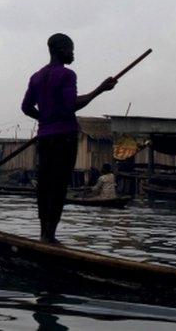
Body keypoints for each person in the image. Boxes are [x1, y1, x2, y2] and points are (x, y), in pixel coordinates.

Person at [21, 33, 117, 243]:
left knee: (45, 185)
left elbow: (26, 107)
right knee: (58, 185)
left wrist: (45, 119)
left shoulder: (36, 77)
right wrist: (100, 90)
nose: (73, 54)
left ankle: (44, 234)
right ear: (61, 50)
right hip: (64, 136)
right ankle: (50, 236)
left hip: (45, 138)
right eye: (71, 50)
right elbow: (72, 104)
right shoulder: (66, 75)